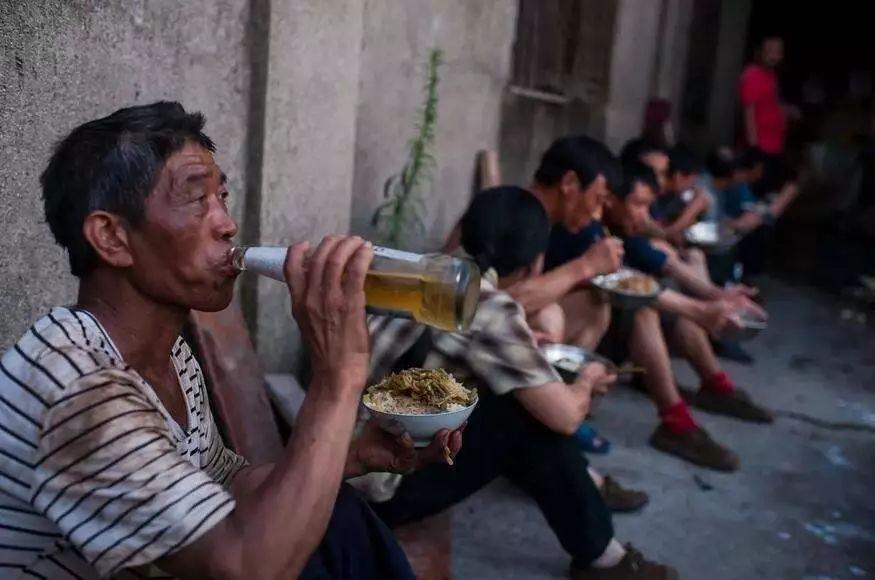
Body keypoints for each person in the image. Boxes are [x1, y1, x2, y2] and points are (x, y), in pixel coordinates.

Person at [0, 102, 463, 579]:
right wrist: (339, 377)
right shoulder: (78, 387)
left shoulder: (171, 355)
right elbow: (246, 569)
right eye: (195, 199)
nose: (226, 223)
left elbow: (227, 482)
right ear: (112, 238)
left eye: (221, 196)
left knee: (337, 516)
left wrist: (353, 455)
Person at [369, 186, 677, 580]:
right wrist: (586, 382)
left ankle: (597, 531)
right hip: (382, 487)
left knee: (513, 402)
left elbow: (454, 349)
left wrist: (524, 352)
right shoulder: (489, 306)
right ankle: (603, 557)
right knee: (529, 418)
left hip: (357, 457)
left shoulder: (429, 269)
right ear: (533, 265)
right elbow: (567, 417)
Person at [548, 163, 772, 472]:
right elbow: (629, 282)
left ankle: (713, 389)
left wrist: (718, 298)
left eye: (647, 205)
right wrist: (703, 308)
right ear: (610, 200)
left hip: (596, 334)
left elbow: (664, 267)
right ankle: (675, 421)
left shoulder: (622, 231)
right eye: (637, 204)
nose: (644, 214)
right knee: (645, 310)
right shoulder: (584, 229)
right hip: (566, 337)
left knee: (675, 313)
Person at [739, 34, 799, 198]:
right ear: (760, 52)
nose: (774, 56)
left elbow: (770, 104)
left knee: (773, 193)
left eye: (778, 52)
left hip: (775, 147)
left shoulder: (771, 76)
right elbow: (749, 114)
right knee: (758, 194)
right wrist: (755, 150)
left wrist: (787, 110)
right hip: (761, 148)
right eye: (770, 51)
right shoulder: (752, 76)